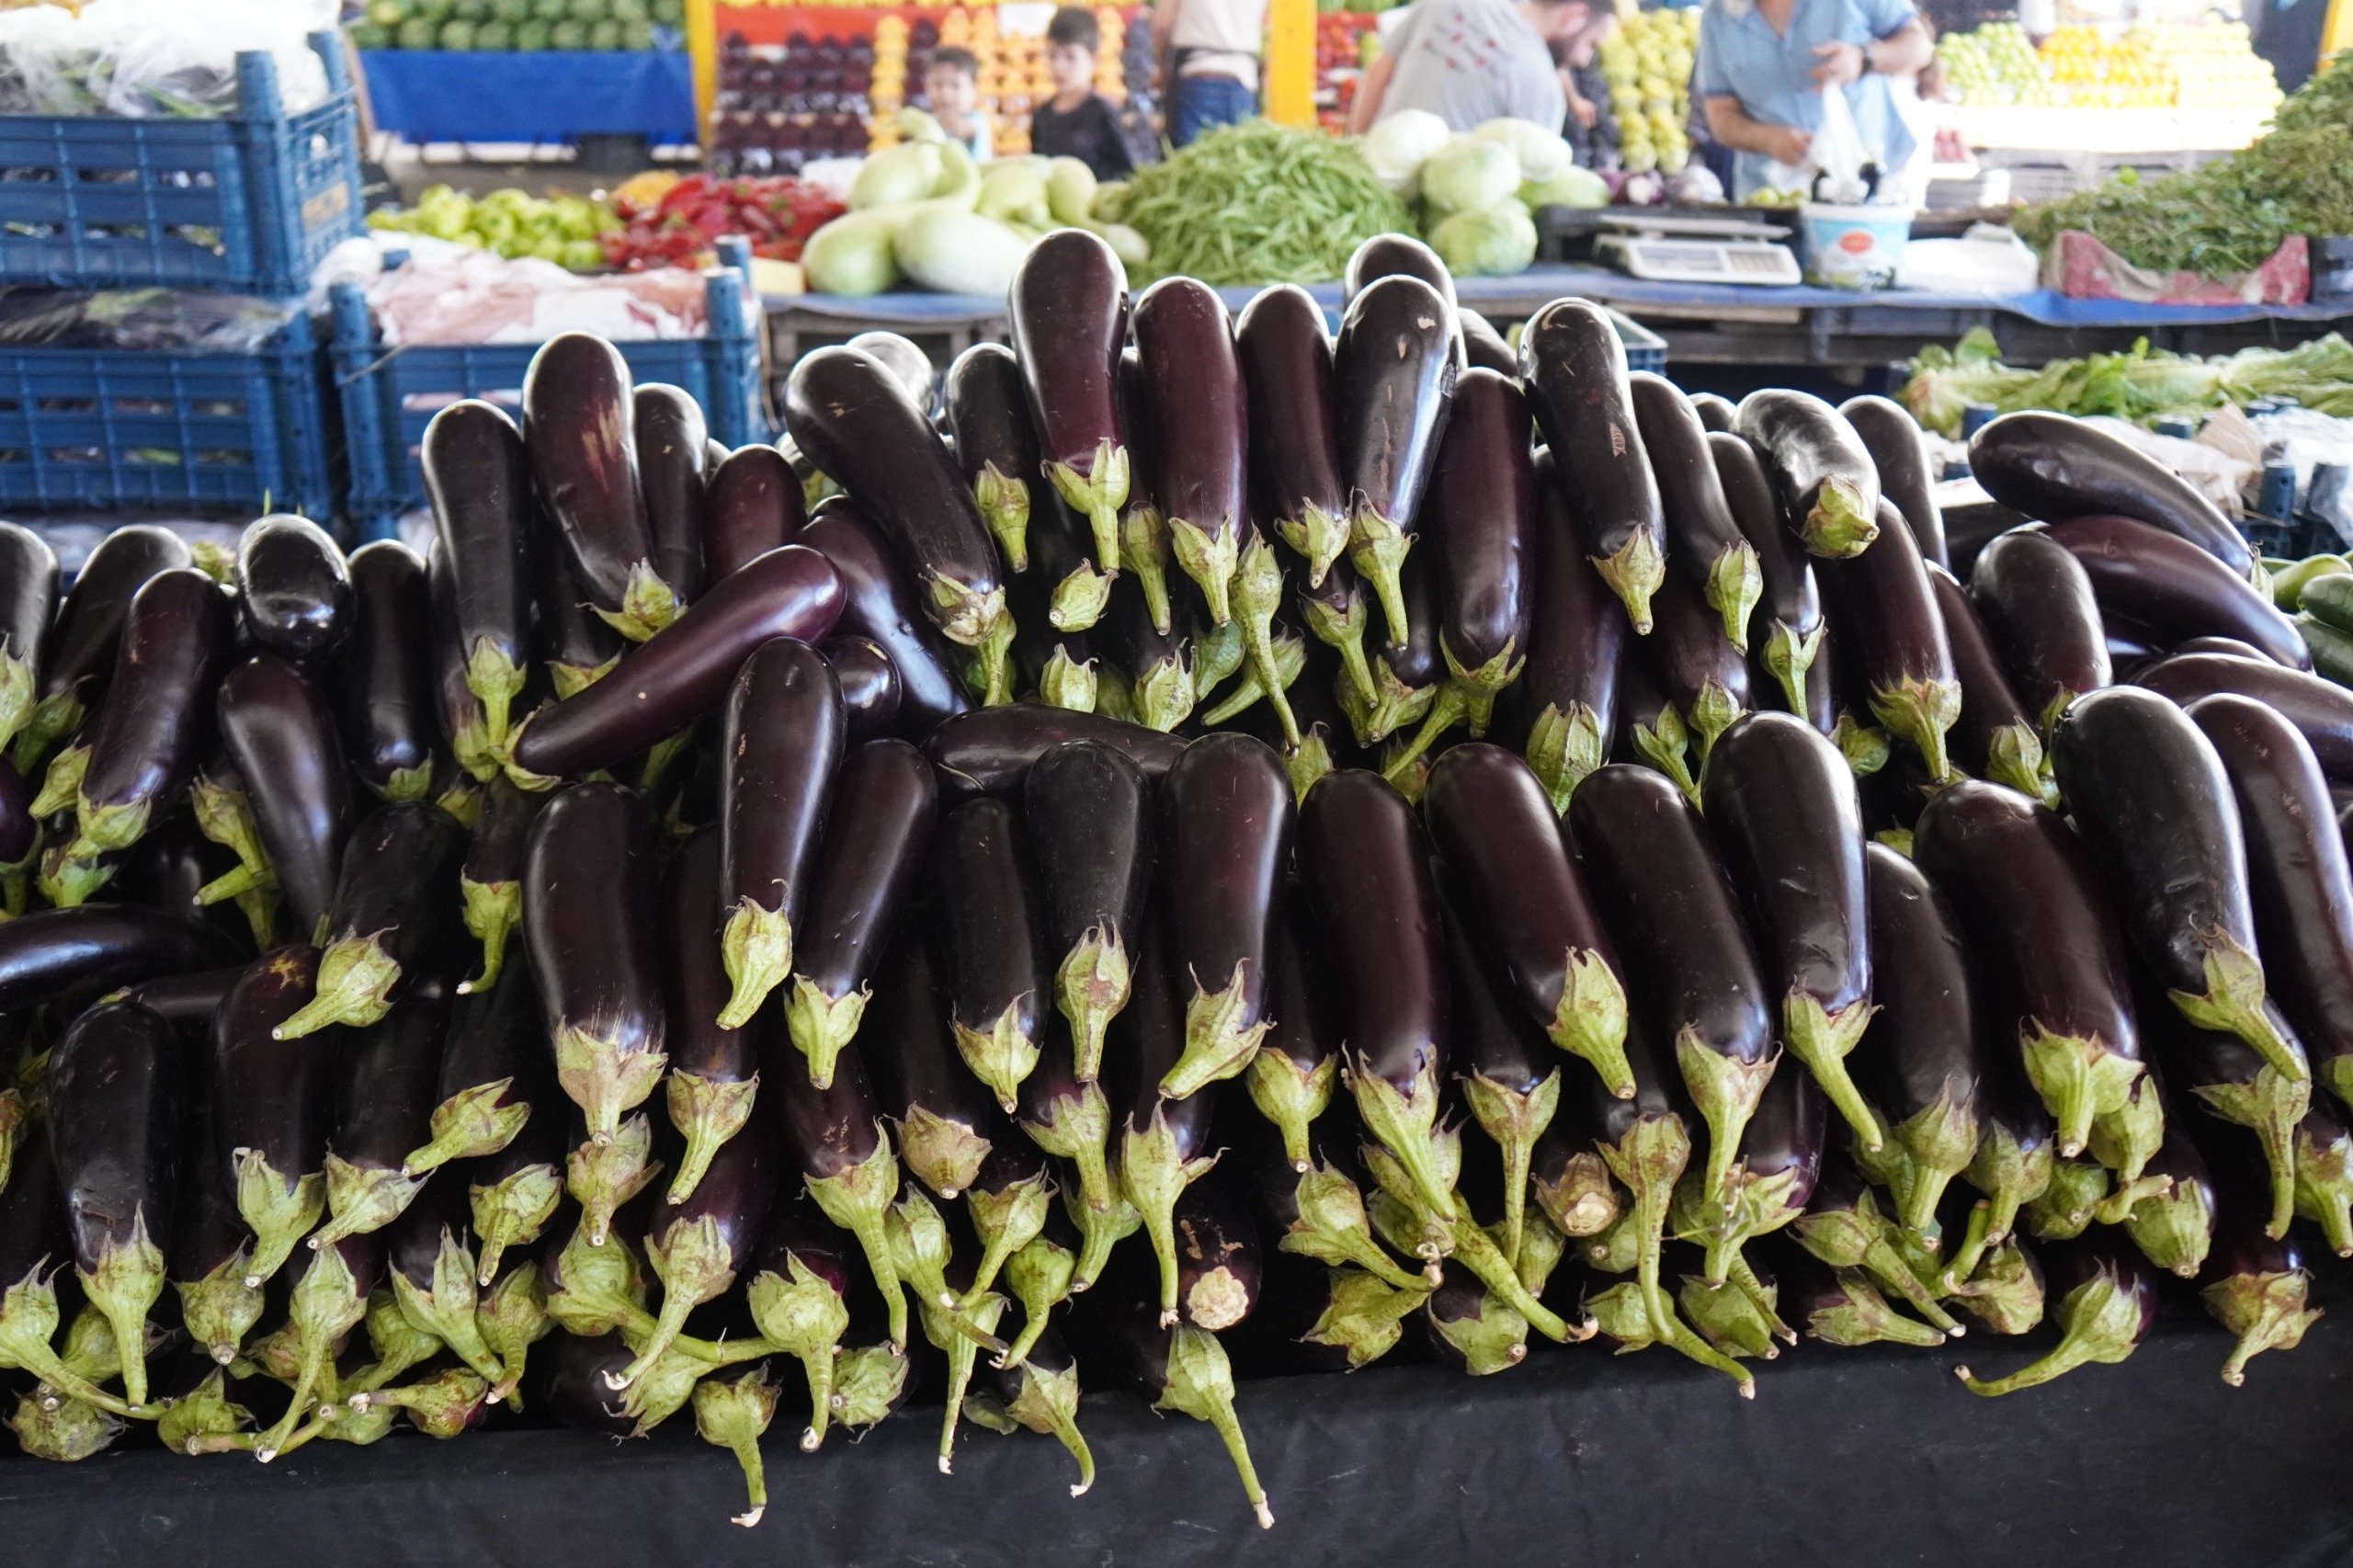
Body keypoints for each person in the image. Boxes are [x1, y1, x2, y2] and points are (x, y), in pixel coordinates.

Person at [1694, 0, 1933, 199]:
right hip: (1772, 199)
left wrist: (1864, 58)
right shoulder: (1718, 17)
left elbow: (1919, 46)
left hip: (1867, 191)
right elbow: (1721, 116)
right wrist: (1768, 139)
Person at [1347, 0, 1592, 134]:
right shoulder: (1545, 89)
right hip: (1435, 210)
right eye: (1591, 44)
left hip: (1373, 171)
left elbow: (1378, 72)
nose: (1585, 59)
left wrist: (1358, 142)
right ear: (1575, 15)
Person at [1031, 7, 1135, 183]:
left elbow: (1126, 173)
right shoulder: (1041, 116)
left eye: (1070, 57)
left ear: (1094, 60)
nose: (1059, 66)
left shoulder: (1104, 114)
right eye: (1052, 55)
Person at [1153, 0, 1269, 147]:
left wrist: (1161, 67)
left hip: (1198, 76)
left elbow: (1163, 24)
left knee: (1191, 156)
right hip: (1245, 82)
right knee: (1238, 155)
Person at [923, 46, 994, 162]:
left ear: (974, 89)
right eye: (938, 84)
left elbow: (962, 129)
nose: (945, 93)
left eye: (955, 85)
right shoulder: (929, 120)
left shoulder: (977, 120)